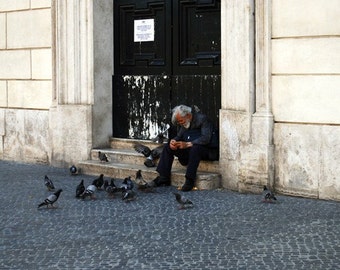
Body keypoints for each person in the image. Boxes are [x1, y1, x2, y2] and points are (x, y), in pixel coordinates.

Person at [152, 105, 216, 192]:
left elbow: (206, 138)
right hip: (190, 152)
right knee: (167, 147)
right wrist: (173, 141)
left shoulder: (203, 119)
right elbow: (179, 136)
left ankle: (189, 180)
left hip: (206, 150)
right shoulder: (185, 123)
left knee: (195, 148)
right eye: (179, 122)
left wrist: (188, 144)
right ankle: (163, 177)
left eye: (181, 121)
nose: (180, 123)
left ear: (188, 115)